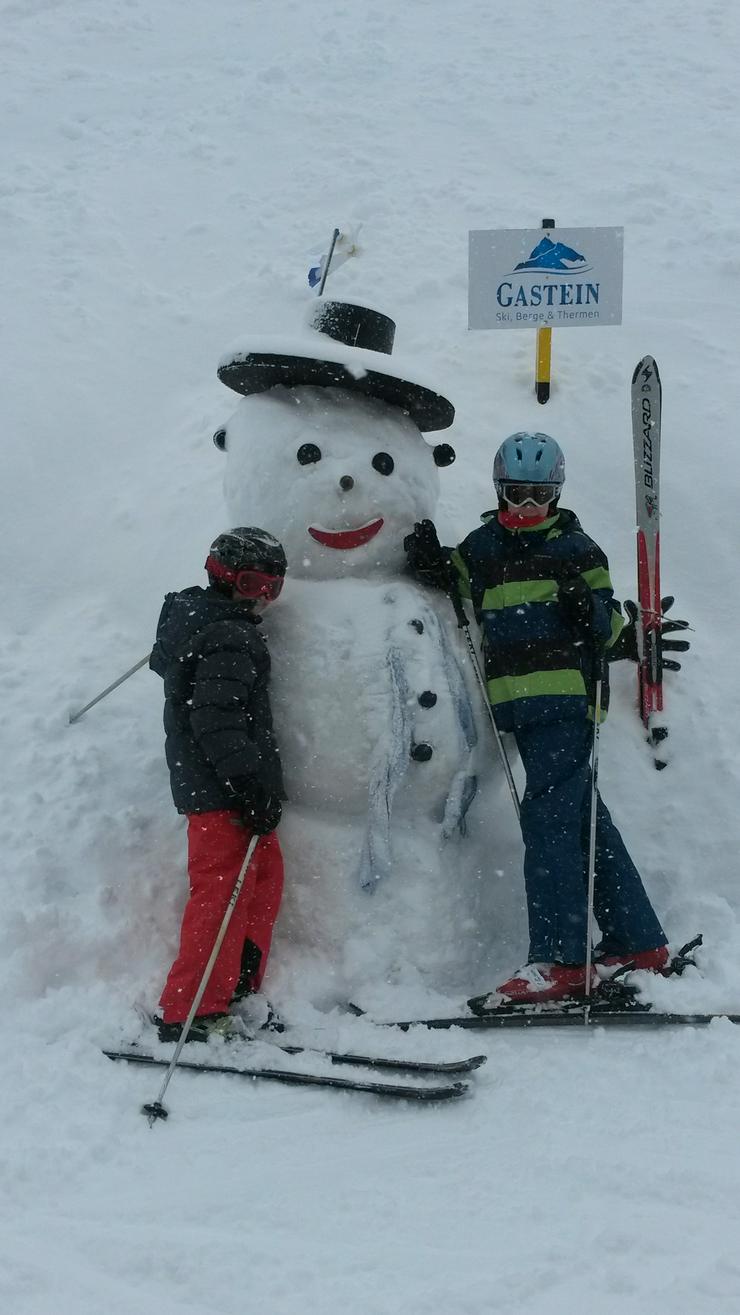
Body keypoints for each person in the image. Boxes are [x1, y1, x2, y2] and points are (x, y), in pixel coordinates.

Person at [405, 431, 689, 1007]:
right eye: (516, 493)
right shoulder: (482, 548)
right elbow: (457, 581)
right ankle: (638, 942)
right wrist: (430, 565)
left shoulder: (576, 551)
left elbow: (608, 627)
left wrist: (598, 619)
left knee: (549, 823)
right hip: (516, 704)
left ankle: (560, 959)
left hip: (566, 702)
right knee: (584, 820)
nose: (528, 507)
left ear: (557, 493)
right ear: (500, 489)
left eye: (539, 495)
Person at [149, 527, 287, 1042]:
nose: (262, 597)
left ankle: (233, 989)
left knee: (262, 882)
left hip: (219, 786)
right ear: (224, 577)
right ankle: (192, 1009)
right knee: (222, 894)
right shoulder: (229, 632)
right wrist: (247, 782)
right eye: (253, 584)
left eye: (273, 587)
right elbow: (215, 718)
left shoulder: (206, 621)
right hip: (220, 790)